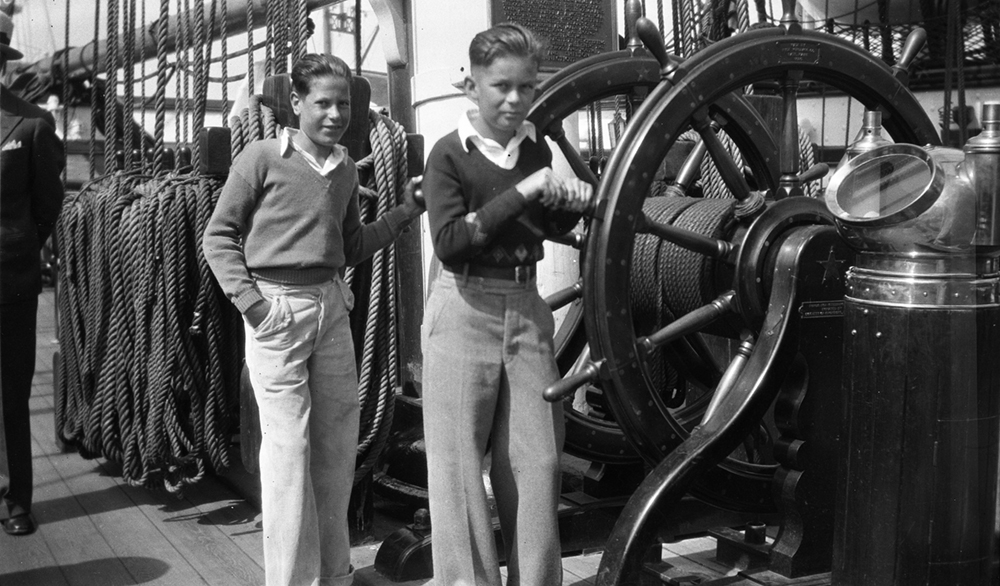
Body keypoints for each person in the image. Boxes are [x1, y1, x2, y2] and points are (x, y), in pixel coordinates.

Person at [203, 53, 424, 586]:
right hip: (276, 311)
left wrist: (402, 213)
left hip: (330, 310)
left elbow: (350, 246)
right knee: (288, 452)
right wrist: (254, 306)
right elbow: (218, 236)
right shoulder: (262, 157)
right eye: (322, 103)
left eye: (343, 103)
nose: (335, 114)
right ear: (297, 103)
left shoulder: (345, 168)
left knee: (336, 448)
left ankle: (334, 575)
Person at [420, 22, 593, 586]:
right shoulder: (449, 154)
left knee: (539, 460)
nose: (516, 99)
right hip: (461, 308)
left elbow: (541, 226)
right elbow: (451, 241)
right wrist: (526, 189)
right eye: (501, 86)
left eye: (527, 86)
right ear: (473, 86)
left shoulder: (536, 148)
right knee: (458, 468)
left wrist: (569, 203)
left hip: (525, 307)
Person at [0, 9, 66, 537]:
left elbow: (48, 206)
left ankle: (16, 499)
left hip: (9, 282)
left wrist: (19, 245)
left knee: (10, 393)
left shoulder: (31, 124)